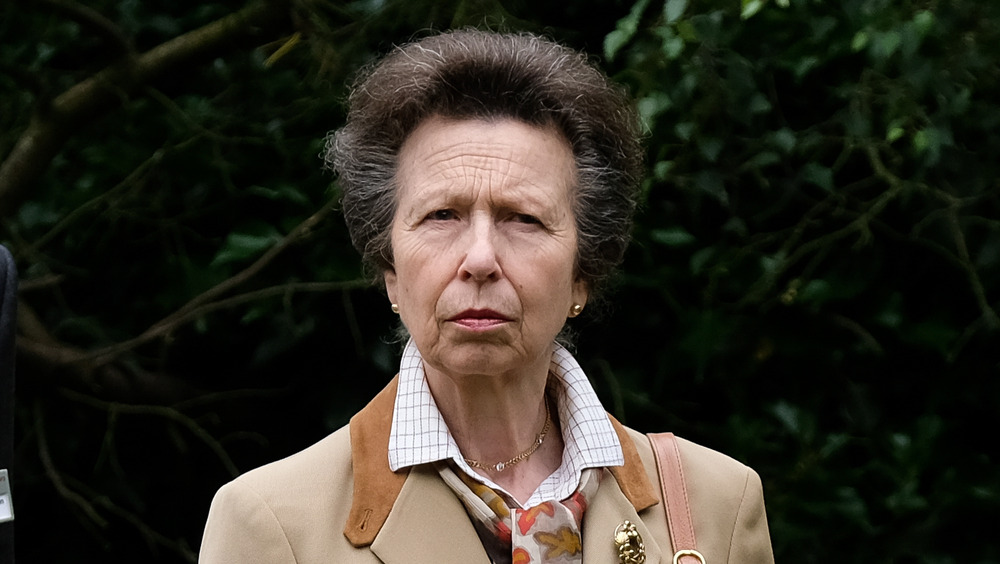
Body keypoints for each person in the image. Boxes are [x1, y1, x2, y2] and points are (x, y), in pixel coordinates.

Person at [199, 29, 774, 564]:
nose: (479, 259)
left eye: (523, 219)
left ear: (584, 272)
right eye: (441, 215)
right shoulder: (271, 524)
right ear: (391, 270)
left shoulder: (715, 505)